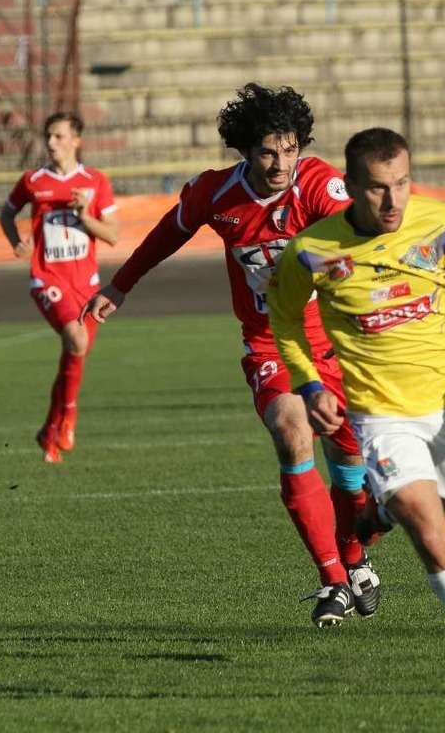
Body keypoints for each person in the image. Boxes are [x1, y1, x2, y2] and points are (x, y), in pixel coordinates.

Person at [80, 83, 380, 627]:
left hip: (337, 342)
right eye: (268, 152)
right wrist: (120, 285)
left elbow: (359, 232)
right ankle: (333, 578)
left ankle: (355, 558)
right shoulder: (216, 194)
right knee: (291, 430)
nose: (281, 163)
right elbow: (167, 233)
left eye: (290, 149)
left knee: (357, 478)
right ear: (245, 150)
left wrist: (346, 264)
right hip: (270, 343)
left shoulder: (318, 185)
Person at [268, 127, 445, 697]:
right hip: (380, 418)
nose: (393, 200)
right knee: (428, 526)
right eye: (377, 188)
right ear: (350, 187)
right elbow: (285, 318)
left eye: (402, 183)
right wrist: (309, 383)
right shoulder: (312, 250)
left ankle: (380, 512)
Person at [0, 111, 119, 463]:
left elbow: (113, 235)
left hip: (87, 284)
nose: (50, 142)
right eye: (48, 136)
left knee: (74, 352)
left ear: (76, 140)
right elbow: (6, 214)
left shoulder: (95, 181)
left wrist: (85, 216)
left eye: (58, 136)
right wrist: (16, 241)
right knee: (77, 340)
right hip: (48, 278)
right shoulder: (33, 181)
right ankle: (68, 419)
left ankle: (48, 430)